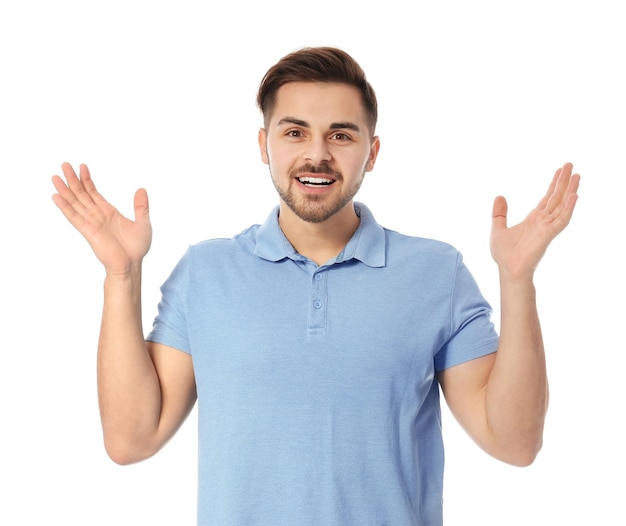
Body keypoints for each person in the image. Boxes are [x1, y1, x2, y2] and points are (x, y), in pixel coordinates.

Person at [51, 46, 580, 525]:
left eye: (341, 135)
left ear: (372, 153)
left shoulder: (435, 273)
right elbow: (130, 440)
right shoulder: (205, 273)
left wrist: (518, 280)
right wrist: (122, 276)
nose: (318, 154)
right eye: (295, 131)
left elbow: (515, 443)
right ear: (265, 144)